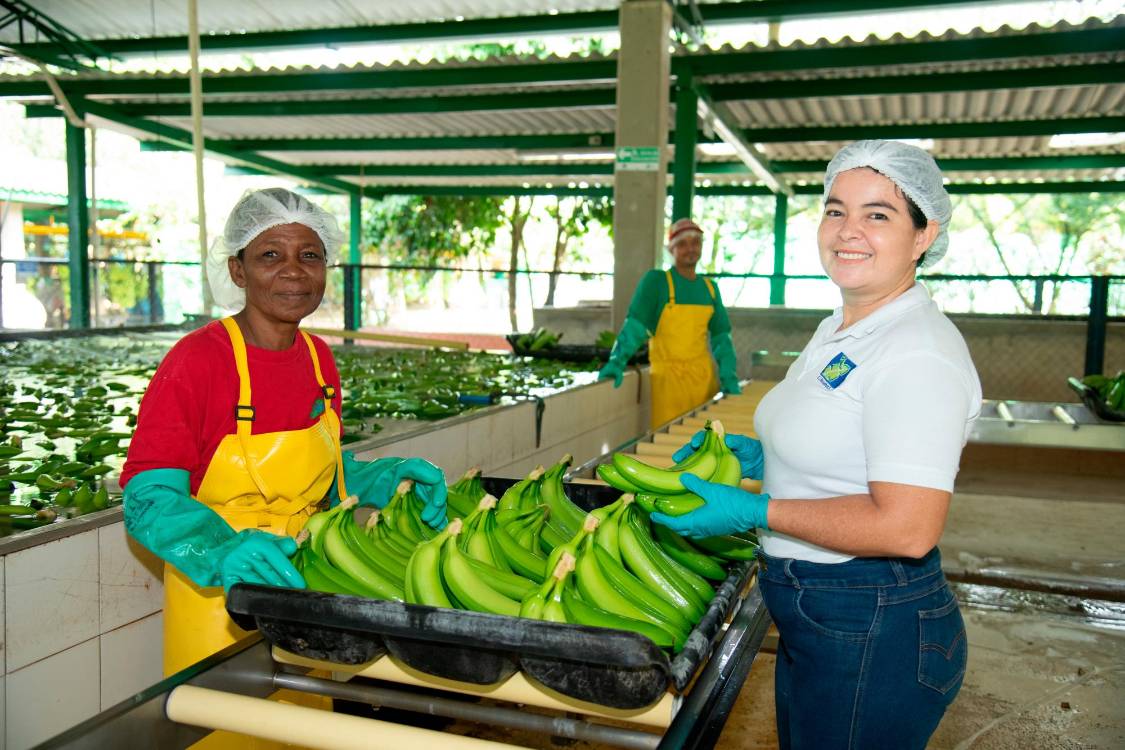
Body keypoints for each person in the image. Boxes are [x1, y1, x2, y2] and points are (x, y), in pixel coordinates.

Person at [653, 141, 981, 749]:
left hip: (872, 618)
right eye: (836, 210)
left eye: (877, 214)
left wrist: (758, 510)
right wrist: (768, 458)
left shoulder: (917, 351)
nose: (848, 230)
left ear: (923, 233)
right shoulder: (843, 326)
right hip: (823, 615)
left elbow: (908, 527)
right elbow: (843, 441)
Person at [121, 187, 448, 679]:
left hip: (306, 587)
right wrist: (222, 550)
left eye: (309, 255)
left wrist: (387, 479)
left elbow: (317, 477)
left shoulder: (319, 359)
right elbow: (147, 498)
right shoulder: (197, 361)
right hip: (219, 597)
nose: (294, 270)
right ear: (237, 270)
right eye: (270, 254)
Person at [598, 218, 740, 428]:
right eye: (682, 244)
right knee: (670, 444)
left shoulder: (711, 289)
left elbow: (721, 338)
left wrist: (729, 377)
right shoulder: (657, 282)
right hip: (668, 384)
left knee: (706, 444)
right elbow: (635, 326)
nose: (690, 249)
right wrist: (617, 361)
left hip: (704, 381)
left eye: (695, 242)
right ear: (671, 249)